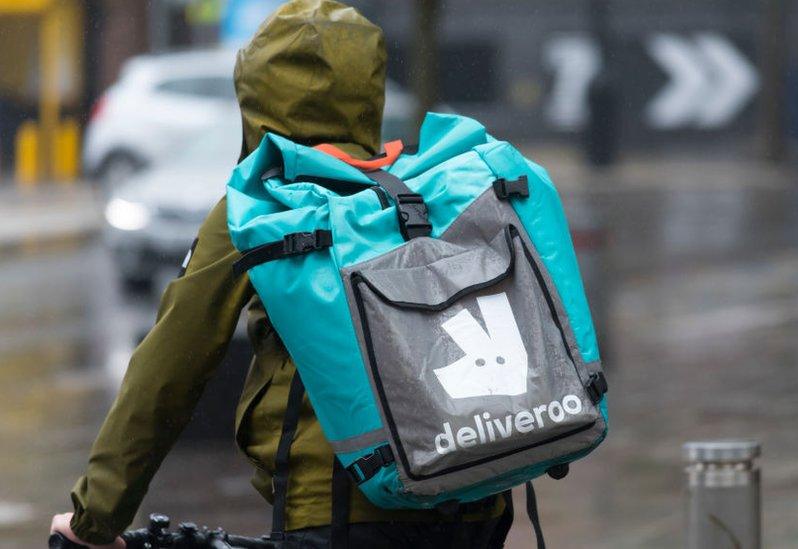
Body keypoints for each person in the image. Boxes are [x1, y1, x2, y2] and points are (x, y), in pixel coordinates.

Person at [50, 1, 506, 547]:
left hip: (339, 506)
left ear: (255, 97)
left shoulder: (262, 205)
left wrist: (93, 520)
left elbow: (173, 362)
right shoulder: (426, 189)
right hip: (476, 493)